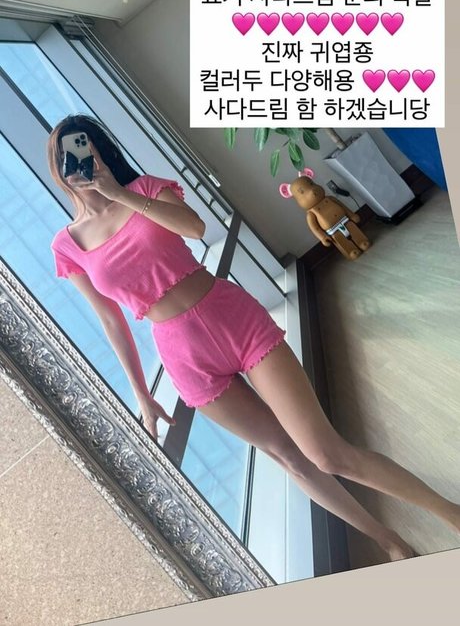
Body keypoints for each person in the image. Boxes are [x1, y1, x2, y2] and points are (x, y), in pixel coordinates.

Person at [48, 114, 459, 564]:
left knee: (326, 454)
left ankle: (450, 512)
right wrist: (142, 394)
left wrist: (120, 195)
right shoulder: (67, 246)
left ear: (102, 150)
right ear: (58, 166)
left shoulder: (145, 189)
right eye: (69, 156)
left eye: (87, 148)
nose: (80, 161)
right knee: (289, 458)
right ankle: (388, 540)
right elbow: (111, 321)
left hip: (231, 318)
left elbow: (194, 229)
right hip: (184, 356)